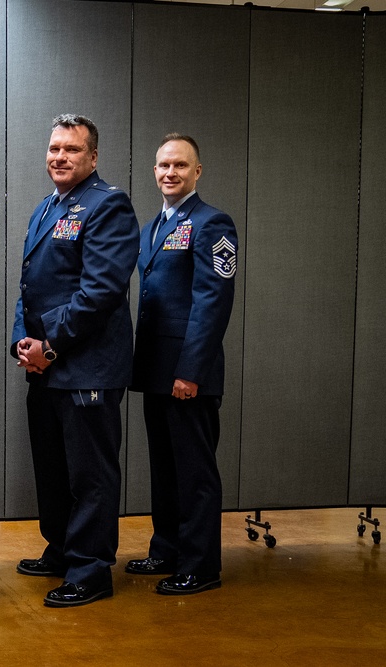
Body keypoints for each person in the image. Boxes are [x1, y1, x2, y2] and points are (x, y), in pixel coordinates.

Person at [11, 114, 139, 607]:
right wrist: (25, 341)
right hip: (46, 366)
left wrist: (51, 345)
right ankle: (62, 548)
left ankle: (90, 570)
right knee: (53, 468)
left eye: (70, 149)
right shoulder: (47, 207)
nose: (59, 157)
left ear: (93, 157)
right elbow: (29, 288)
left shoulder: (108, 206)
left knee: (90, 473)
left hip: (86, 366)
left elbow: (100, 291)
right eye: (53, 148)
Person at [126, 134, 237, 595]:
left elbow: (212, 303)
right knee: (165, 468)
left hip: (188, 373)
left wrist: (190, 371)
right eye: (162, 165)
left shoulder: (213, 224)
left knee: (194, 472)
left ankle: (200, 564)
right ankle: (167, 549)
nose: (169, 173)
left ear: (197, 171)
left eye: (179, 165)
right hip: (155, 370)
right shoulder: (154, 225)